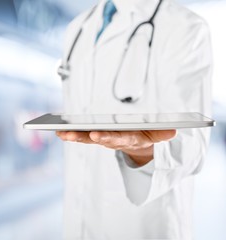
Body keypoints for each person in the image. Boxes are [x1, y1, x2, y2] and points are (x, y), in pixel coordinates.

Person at [56, 0, 212, 239]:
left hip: (144, 225)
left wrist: (142, 152)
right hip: (76, 219)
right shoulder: (77, 28)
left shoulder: (184, 26)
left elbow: (193, 145)